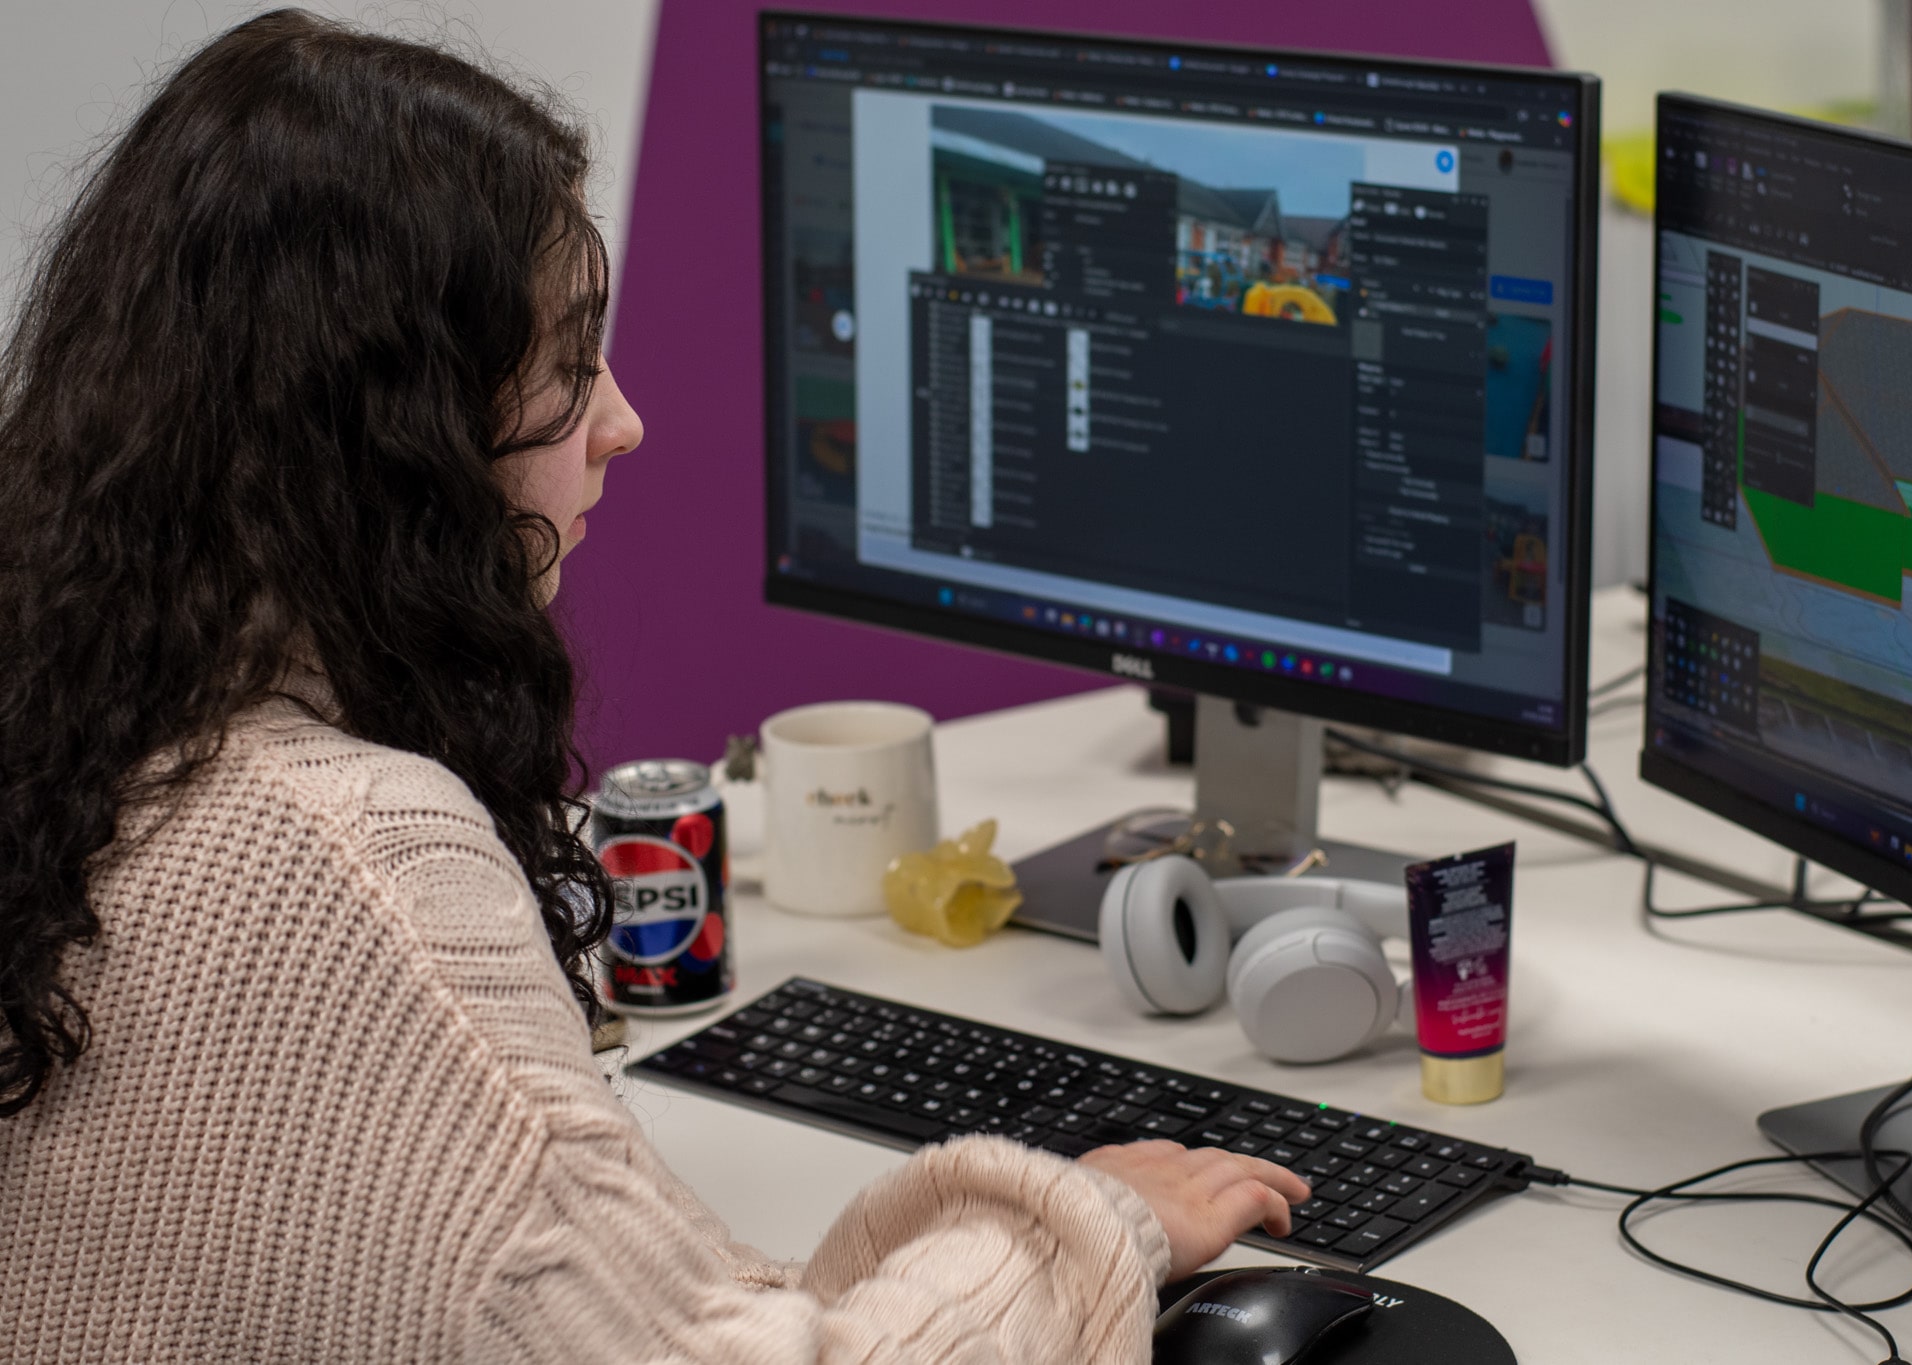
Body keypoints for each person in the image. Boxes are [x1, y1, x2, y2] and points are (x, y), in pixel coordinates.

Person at [0, 12, 1306, 1361]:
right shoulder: (365, 865)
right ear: (398, 439)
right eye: (568, 368)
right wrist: (1088, 1224)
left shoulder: (86, 720)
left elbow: (576, 1305)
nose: (620, 421)